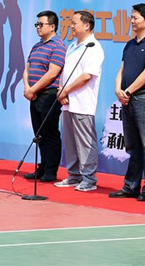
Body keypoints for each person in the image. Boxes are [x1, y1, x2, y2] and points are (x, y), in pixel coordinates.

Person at [109, 3, 145, 202]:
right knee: (132, 145)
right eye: (131, 17)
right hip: (127, 99)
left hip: (143, 98)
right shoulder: (130, 44)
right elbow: (122, 70)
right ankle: (131, 186)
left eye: (135, 18)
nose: (131, 21)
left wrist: (128, 91)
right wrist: (118, 89)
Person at [54, 11, 104, 192]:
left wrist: (66, 90)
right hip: (67, 102)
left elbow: (86, 76)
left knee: (85, 142)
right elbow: (65, 71)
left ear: (87, 26)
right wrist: (61, 90)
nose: (71, 26)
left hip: (83, 103)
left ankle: (89, 179)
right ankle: (74, 175)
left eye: (74, 23)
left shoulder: (94, 47)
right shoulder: (72, 46)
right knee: (70, 141)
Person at [22, 10, 67, 182]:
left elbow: (52, 73)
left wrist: (33, 89)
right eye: (37, 24)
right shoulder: (37, 46)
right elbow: (27, 69)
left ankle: (51, 170)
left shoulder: (58, 46)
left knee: (50, 133)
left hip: (49, 95)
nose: (38, 27)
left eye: (41, 24)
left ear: (52, 26)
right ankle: (42, 166)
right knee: (39, 134)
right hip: (34, 95)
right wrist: (28, 88)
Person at [0, 0, 25, 110]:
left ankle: (9, 88)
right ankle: (5, 90)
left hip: (17, 40)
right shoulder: (9, 6)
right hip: (14, 41)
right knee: (15, 68)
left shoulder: (12, 4)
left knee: (20, 69)